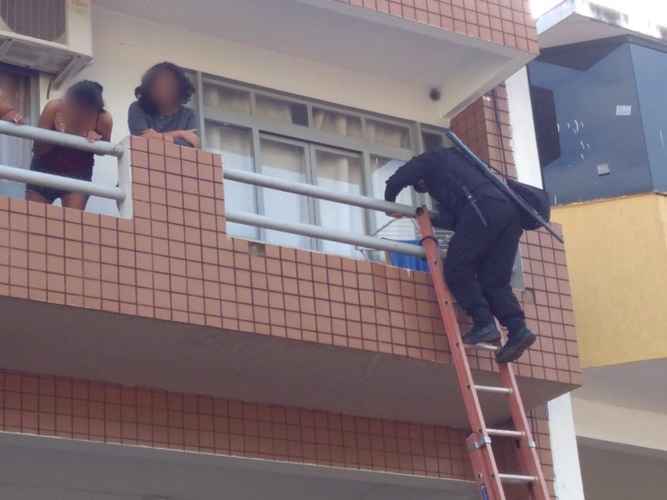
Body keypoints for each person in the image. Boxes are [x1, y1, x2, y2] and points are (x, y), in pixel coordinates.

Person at [384, 146, 536, 364]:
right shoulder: (461, 167)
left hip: (482, 208)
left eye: (422, 185)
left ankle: (484, 323)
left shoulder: (429, 159)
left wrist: (390, 205)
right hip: (508, 215)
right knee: (494, 281)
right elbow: (457, 219)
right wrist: (427, 219)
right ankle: (517, 329)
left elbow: (397, 179)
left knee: (457, 268)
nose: (425, 189)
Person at [27, 81, 113, 210]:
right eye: (73, 107)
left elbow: (103, 150)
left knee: (73, 223)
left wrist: (96, 141)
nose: (78, 113)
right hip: (44, 166)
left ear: (95, 109)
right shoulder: (54, 108)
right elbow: (37, 149)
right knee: (34, 219)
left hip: (78, 171)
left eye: (86, 111)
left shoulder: (103, 119)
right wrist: (58, 136)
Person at [128, 62, 199, 148]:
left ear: (180, 88)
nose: (163, 89)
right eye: (157, 85)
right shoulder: (137, 108)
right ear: (149, 87)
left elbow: (191, 145)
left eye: (169, 85)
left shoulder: (188, 115)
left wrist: (155, 137)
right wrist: (179, 134)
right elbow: (140, 140)